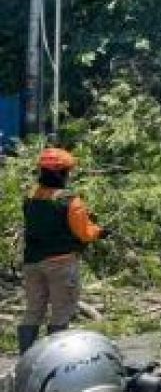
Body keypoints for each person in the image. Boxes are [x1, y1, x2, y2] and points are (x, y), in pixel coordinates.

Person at [18, 148, 107, 354]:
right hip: (62, 263)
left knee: (33, 311)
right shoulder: (71, 202)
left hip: (32, 263)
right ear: (63, 173)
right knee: (61, 313)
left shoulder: (30, 197)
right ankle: (53, 359)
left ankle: (26, 359)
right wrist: (100, 231)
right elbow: (84, 233)